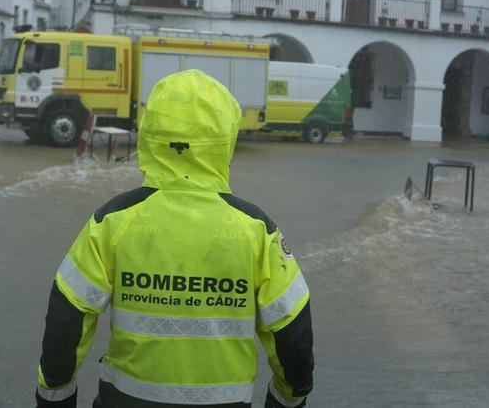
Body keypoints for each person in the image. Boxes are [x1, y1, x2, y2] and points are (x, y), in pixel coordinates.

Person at [35, 69, 314, 407]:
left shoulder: (112, 221)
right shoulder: (256, 230)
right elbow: (293, 335)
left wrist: (55, 396)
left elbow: (66, 319)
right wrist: (286, 399)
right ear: (226, 139)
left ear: (149, 135)